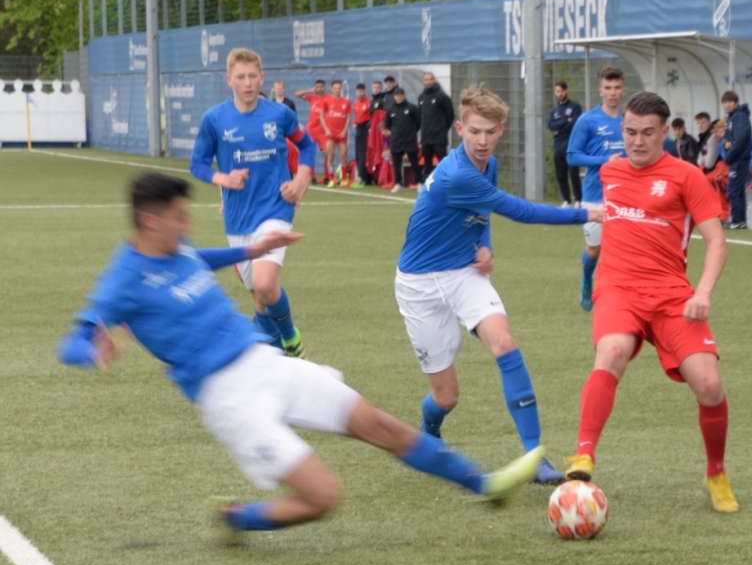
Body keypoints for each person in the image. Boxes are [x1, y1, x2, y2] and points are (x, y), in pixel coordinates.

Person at [56, 172, 545, 543]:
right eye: (180, 218)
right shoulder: (123, 277)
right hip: (228, 399)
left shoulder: (175, 248)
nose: (188, 225)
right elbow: (72, 342)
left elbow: (196, 259)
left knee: (377, 424)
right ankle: (237, 518)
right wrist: (92, 349)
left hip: (264, 361)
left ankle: (485, 485)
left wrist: (254, 249)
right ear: (150, 221)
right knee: (324, 498)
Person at [395, 85, 604, 485]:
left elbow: (482, 213)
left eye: (490, 132)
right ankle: (429, 430)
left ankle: (534, 457)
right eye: (474, 131)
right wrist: (589, 213)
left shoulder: (485, 164)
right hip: (419, 285)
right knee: (446, 397)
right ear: (459, 129)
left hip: (463, 273)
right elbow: (521, 212)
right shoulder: (458, 173)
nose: (482, 140)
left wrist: (484, 244)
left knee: (505, 344)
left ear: (502, 129)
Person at [562, 92, 739, 514]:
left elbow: (717, 242)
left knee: (709, 386)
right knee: (611, 351)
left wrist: (702, 292)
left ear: (664, 133)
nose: (637, 141)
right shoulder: (610, 170)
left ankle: (716, 472)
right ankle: (583, 454)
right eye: (630, 132)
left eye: (646, 133)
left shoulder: (687, 176)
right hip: (618, 287)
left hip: (671, 294)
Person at [191, 47, 311, 358]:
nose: (247, 83)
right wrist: (223, 179)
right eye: (241, 77)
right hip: (237, 217)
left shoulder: (280, 114)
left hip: (275, 209)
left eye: (253, 76)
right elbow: (198, 164)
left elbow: (307, 146)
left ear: (262, 78)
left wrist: (300, 180)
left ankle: (291, 339)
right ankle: (273, 355)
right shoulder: (214, 119)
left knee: (264, 282)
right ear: (228, 79)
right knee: (259, 297)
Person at [567, 67, 626, 312]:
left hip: (626, 195)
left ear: (623, 90)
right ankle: (586, 279)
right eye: (608, 88)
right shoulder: (587, 120)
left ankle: (618, 295)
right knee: (594, 249)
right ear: (600, 90)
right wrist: (605, 161)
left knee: (625, 251)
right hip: (595, 194)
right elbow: (572, 156)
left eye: (617, 88)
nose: (612, 93)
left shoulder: (630, 119)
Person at [547, 80, 583, 208]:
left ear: (566, 91)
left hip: (572, 145)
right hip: (558, 146)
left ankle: (578, 200)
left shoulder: (575, 107)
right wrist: (565, 121)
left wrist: (560, 128)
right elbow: (551, 126)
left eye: (562, 91)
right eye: (557, 91)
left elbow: (575, 124)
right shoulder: (554, 111)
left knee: (573, 174)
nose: (560, 94)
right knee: (561, 174)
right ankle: (567, 200)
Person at [721, 91, 752, 230]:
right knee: (738, 190)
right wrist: (725, 144)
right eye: (725, 102)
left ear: (736, 102)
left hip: (739, 159)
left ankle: (738, 220)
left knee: (733, 190)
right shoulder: (731, 118)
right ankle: (740, 220)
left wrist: (728, 157)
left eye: (730, 102)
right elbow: (726, 139)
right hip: (736, 159)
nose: (727, 105)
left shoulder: (740, 117)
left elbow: (739, 141)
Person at [294, 79, 332, 183]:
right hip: (311, 129)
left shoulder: (329, 98)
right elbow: (297, 94)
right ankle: (312, 176)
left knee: (327, 153)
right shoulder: (312, 98)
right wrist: (310, 90)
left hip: (323, 130)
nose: (319, 88)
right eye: (317, 87)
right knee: (310, 152)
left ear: (325, 87)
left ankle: (327, 176)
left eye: (321, 86)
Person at [385, 87, 422, 193]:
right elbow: (388, 124)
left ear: (404, 95)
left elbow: (418, 122)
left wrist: (411, 131)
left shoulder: (412, 108)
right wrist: (395, 132)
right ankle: (398, 183)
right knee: (397, 163)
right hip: (396, 140)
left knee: (414, 162)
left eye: (401, 95)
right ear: (394, 97)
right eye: (397, 95)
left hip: (409, 140)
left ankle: (419, 183)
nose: (399, 97)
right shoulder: (391, 110)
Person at [418, 72, 455, 173]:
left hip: (439, 138)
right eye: (426, 80)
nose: (429, 82)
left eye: (431, 79)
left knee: (443, 162)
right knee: (427, 164)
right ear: (423, 81)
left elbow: (450, 115)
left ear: (434, 80)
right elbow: (421, 115)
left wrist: (443, 129)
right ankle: (428, 181)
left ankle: (447, 180)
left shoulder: (442, 96)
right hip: (426, 138)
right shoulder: (421, 97)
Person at [699, 119, 730, 222]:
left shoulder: (729, 141)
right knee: (700, 177)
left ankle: (724, 215)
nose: (719, 133)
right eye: (717, 131)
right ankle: (709, 213)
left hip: (739, 172)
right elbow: (700, 161)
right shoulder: (713, 141)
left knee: (718, 179)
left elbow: (709, 163)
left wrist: (712, 141)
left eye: (722, 130)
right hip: (726, 171)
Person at [324, 79, 352, 188]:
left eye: (339, 88)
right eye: (335, 88)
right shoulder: (327, 101)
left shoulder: (346, 102)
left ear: (342, 89)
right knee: (330, 156)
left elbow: (348, 117)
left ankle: (344, 179)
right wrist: (326, 129)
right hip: (330, 134)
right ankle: (332, 178)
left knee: (343, 156)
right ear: (332, 89)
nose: (337, 90)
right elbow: (321, 116)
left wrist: (344, 131)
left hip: (342, 134)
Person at [352, 82, 373, 187]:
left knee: (363, 153)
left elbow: (372, 116)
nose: (360, 93)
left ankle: (364, 177)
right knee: (358, 153)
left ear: (364, 91)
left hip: (366, 128)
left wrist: (369, 127)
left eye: (361, 91)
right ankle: (362, 176)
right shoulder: (356, 103)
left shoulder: (369, 102)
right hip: (359, 128)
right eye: (358, 91)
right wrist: (354, 122)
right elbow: (357, 115)